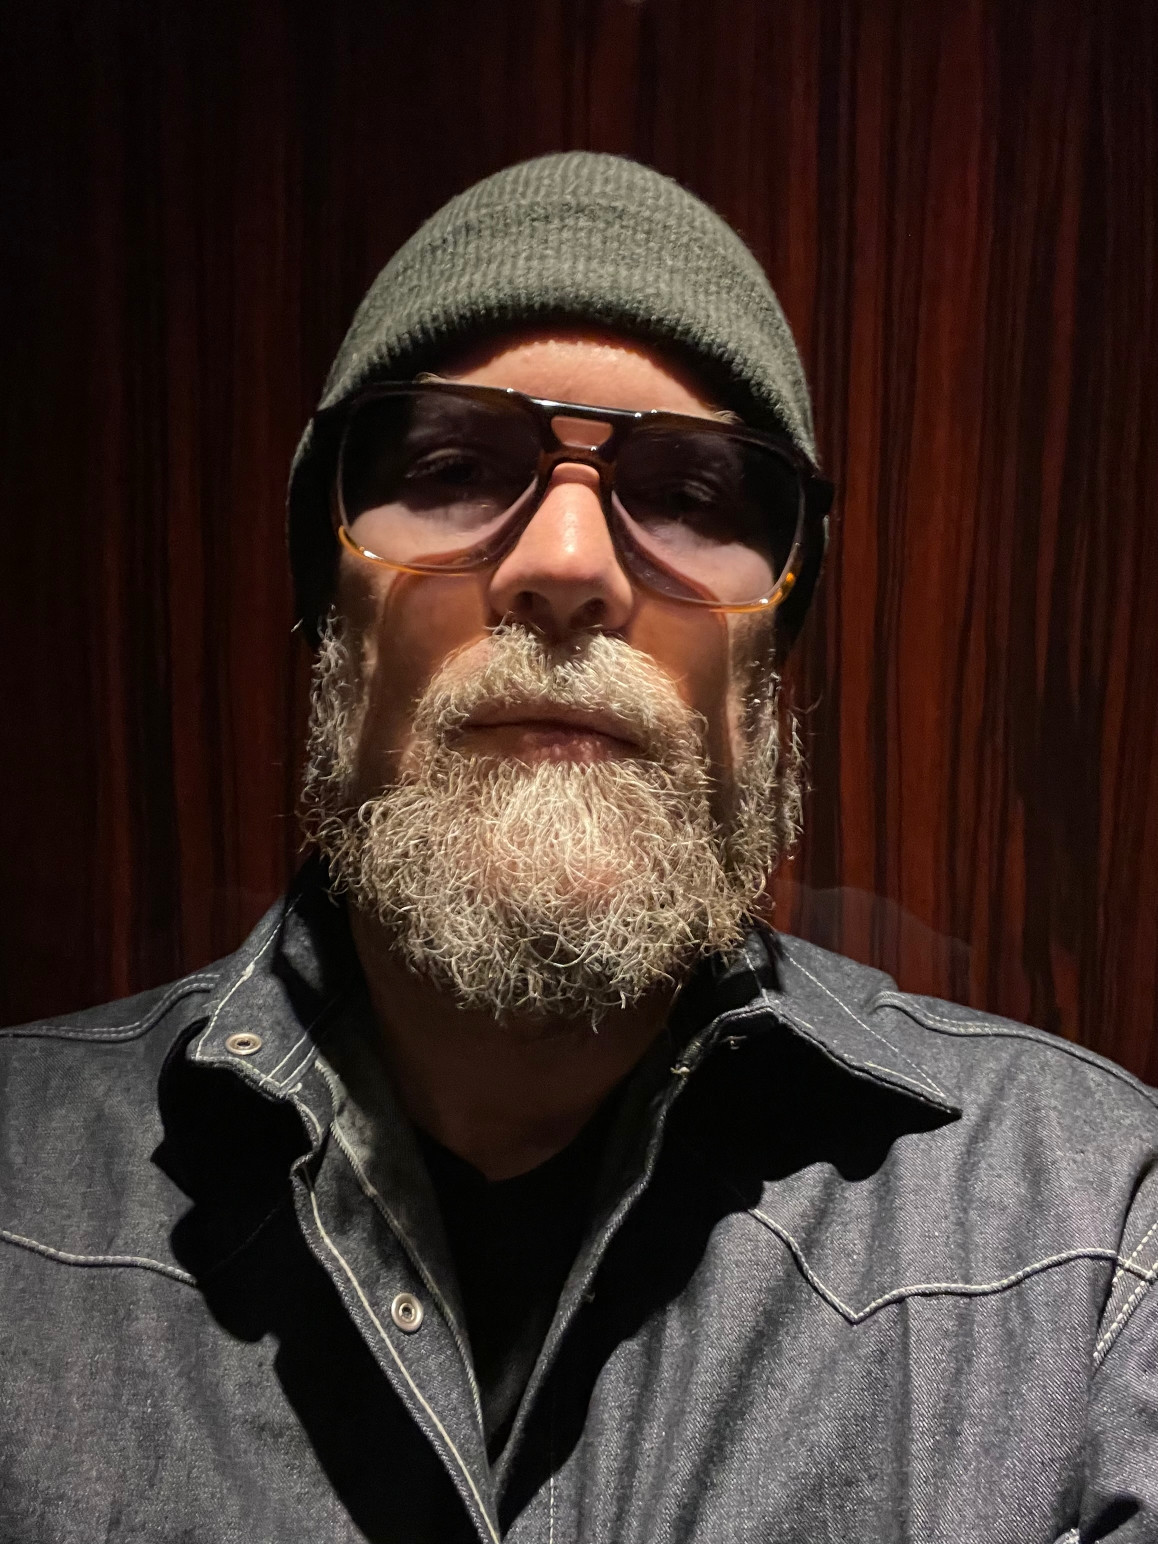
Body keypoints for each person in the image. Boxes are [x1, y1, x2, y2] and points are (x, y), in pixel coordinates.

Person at [1, 151, 1155, 1544]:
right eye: (451, 468)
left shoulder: (1089, 1245)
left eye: (693, 493)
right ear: (330, 614)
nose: (565, 563)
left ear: (767, 668)